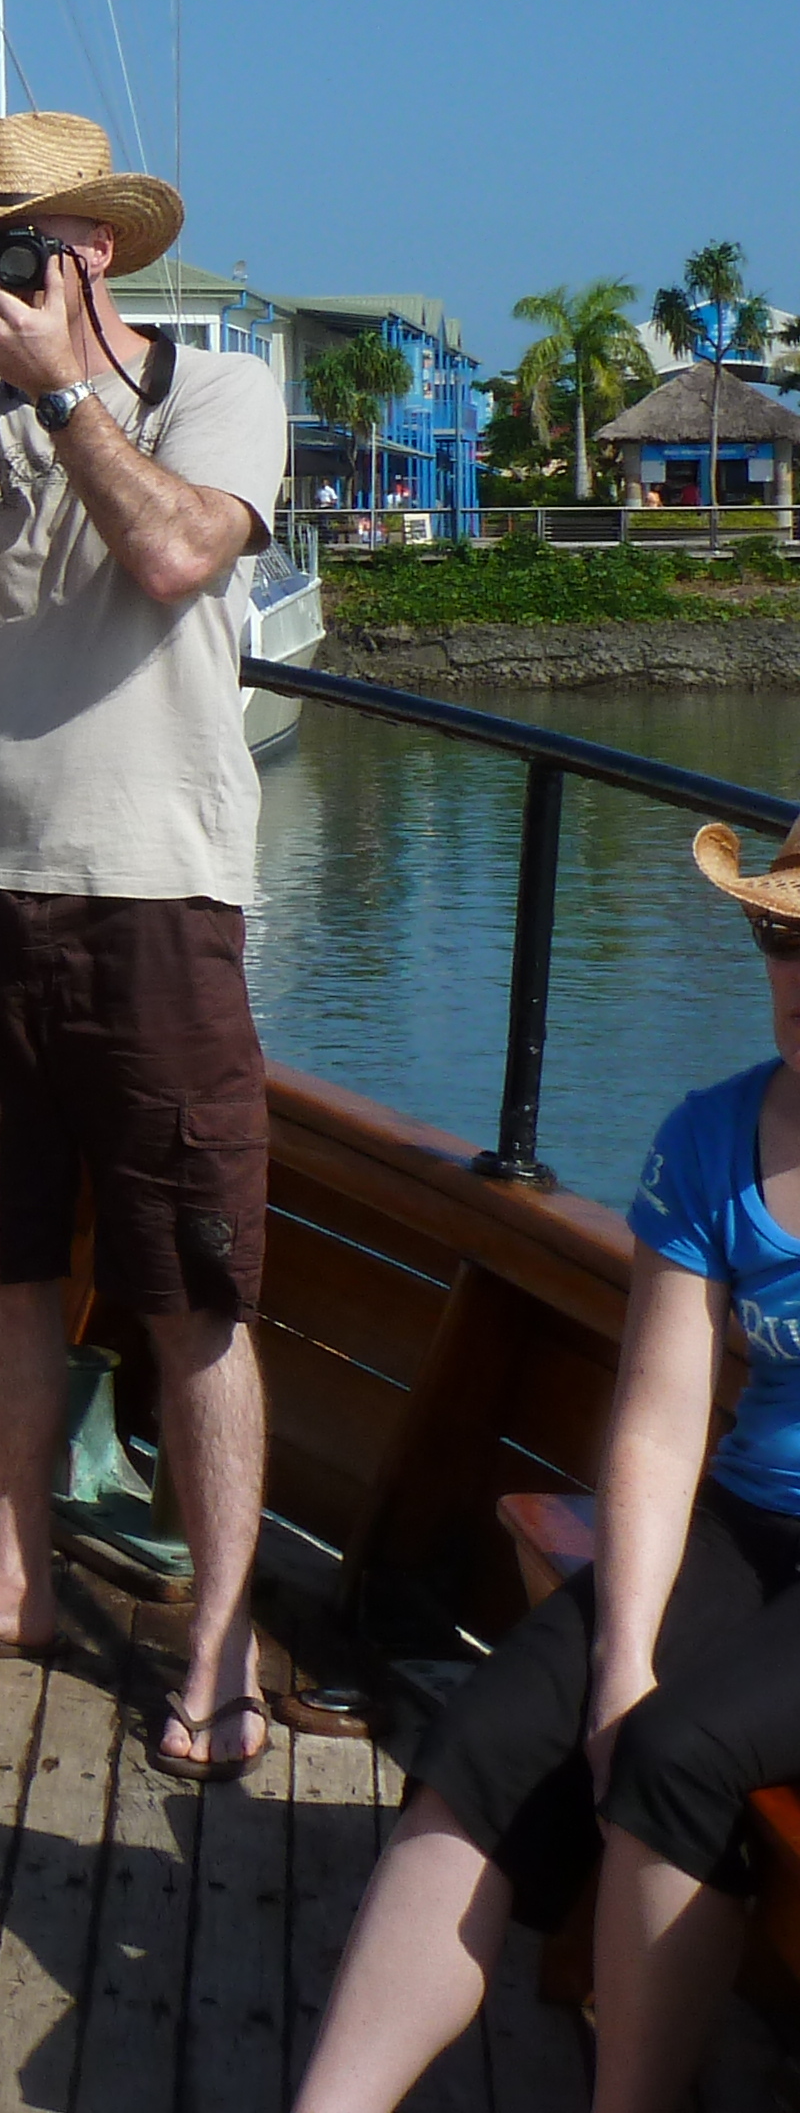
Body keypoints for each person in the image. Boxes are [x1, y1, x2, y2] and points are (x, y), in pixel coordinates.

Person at [0, 111, 291, 1780]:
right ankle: (11, 1574)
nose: (12, 265)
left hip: (157, 899)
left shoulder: (216, 388)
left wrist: (67, 386)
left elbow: (173, 554)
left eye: (32, 243)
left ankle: (224, 1643)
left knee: (196, 1291)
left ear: (93, 250)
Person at [291, 816, 800, 2113]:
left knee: (678, 1753)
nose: (793, 979)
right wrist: (622, 1654)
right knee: (496, 1729)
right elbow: (659, 1417)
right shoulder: (713, 1135)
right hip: (749, 1521)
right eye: (777, 937)